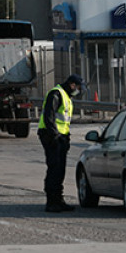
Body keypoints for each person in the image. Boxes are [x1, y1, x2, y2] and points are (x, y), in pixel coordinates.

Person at [38, 74, 85, 213]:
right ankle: (51, 202)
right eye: (77, 87)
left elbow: (63, 122)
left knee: (60, 170)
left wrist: (66, 137)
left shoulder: (66, 96)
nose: (78, 90)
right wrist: (55, 136)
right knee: (54, 169)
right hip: (51, 136)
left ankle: (59, 200)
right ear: (72, 85)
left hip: (60, 137)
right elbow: (49, 117)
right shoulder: (56, 94)